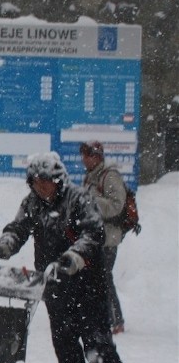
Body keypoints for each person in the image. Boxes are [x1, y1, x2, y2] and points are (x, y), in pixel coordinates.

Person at [0, 152, 131, 363]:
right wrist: (3, 248)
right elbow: (17, 229)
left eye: (46, 181)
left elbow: (93, 233)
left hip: (87, 282)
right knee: (63, 339)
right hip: (53, 282)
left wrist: (72, 258)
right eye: (36, 182)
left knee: (96, 340)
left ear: (59, 180)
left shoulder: (79, 199)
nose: (41, 186)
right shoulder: (32, 204)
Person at [80, 140, 126, 334]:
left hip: (107, 238)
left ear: (97, 157)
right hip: (94, 236)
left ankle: (116, 320)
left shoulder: (109, 176)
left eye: (87, 155)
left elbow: (118, 204)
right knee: (93, 278)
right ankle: (99, 317)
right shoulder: (90, 177)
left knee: (104, 278)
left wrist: (92, 202)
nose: (83, 159)